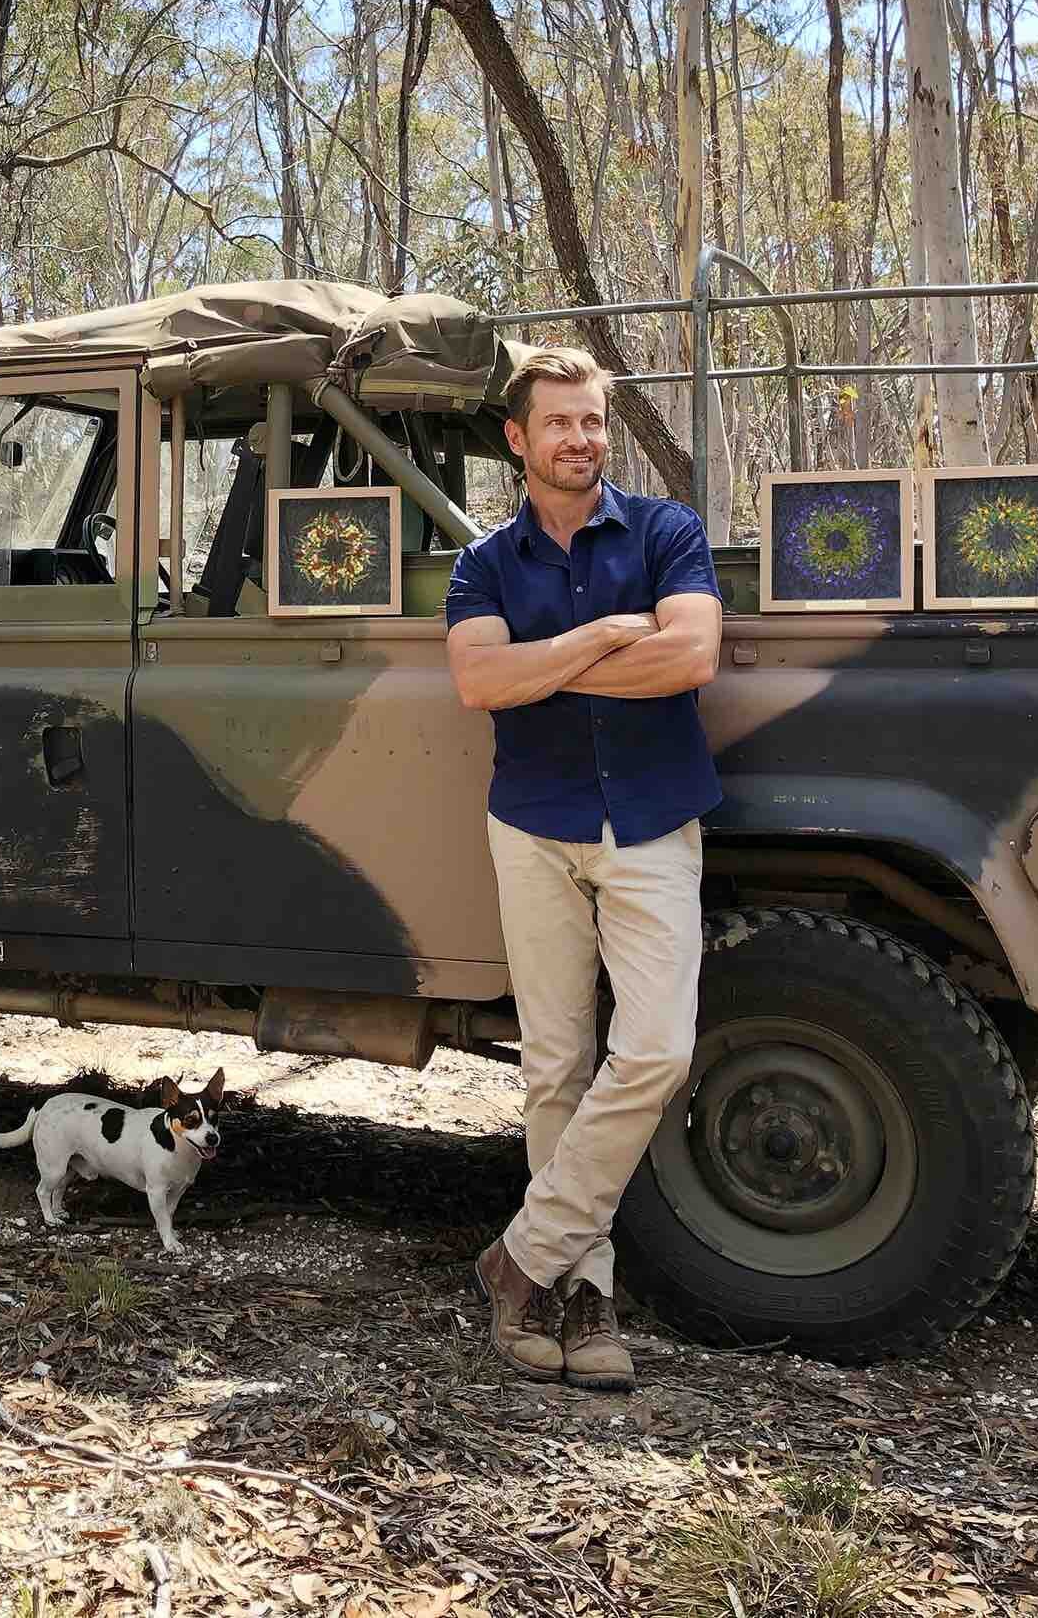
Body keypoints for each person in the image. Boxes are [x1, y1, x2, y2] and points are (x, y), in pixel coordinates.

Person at [444, 348, 723, 1387]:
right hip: (532, 825)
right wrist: (607, 634)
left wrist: (545, 664)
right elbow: (479, 681)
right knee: (553, 1065)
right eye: (558, 423)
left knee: (653, 1050)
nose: (580, 439)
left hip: (650, 823)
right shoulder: (483, 565)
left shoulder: (665, 532)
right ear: (517, 440)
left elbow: (689, 658)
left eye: (592, 421)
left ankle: (518, 1256)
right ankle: (580, 1291)